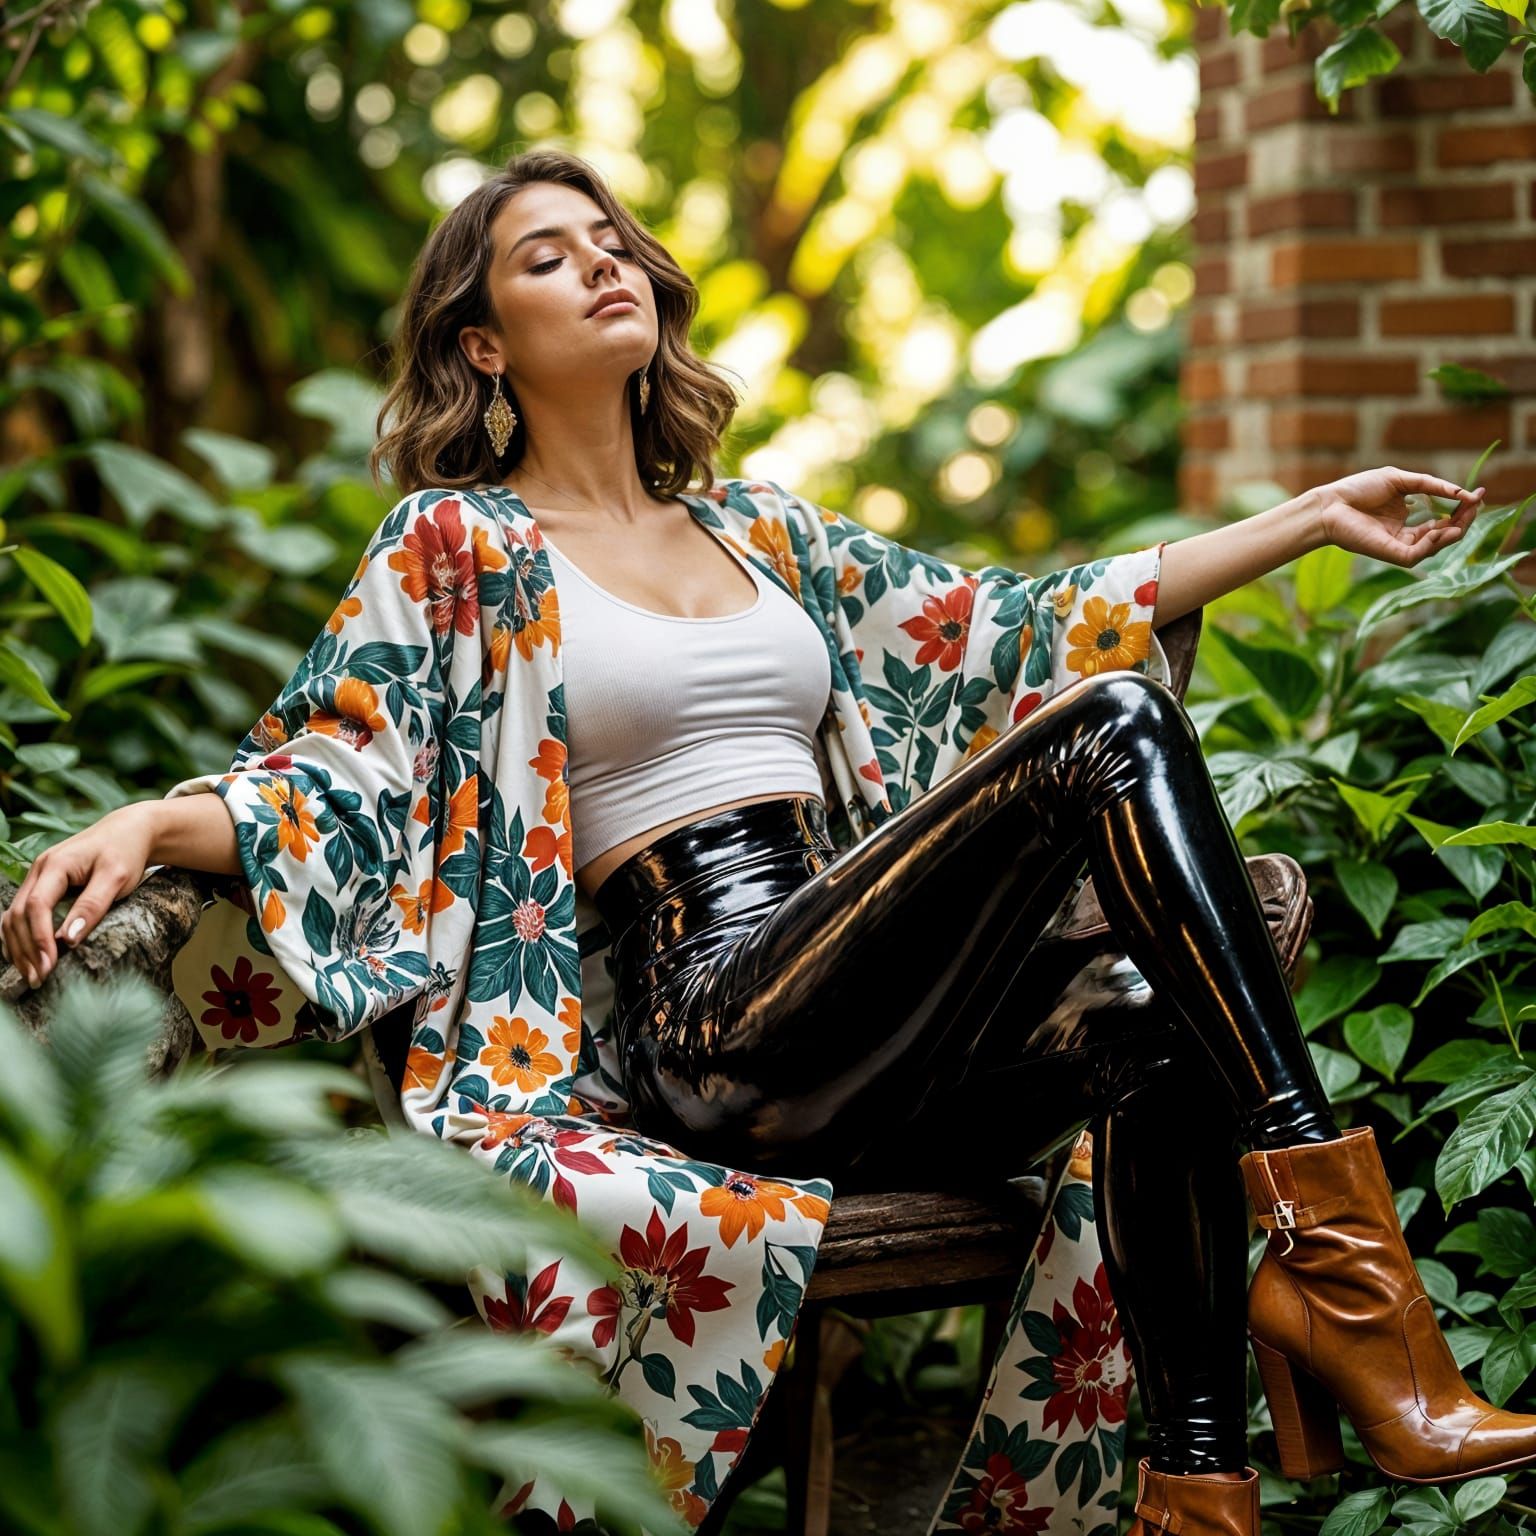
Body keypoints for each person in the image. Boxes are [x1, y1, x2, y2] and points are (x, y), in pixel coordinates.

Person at [3, 144, 1520, 1536]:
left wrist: (1308, 516)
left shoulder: (759, 535)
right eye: (549, 256)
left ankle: (1204, 1490)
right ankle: (1356, 1296)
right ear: (481, 343)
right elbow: (340, 775)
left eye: (615, 243)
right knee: (1114, 726)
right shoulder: (460, 547)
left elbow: (1020, 628)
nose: (606, 265)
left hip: (869, 1019)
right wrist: (148, 820)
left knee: (1154, 1030)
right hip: (716, 1026)